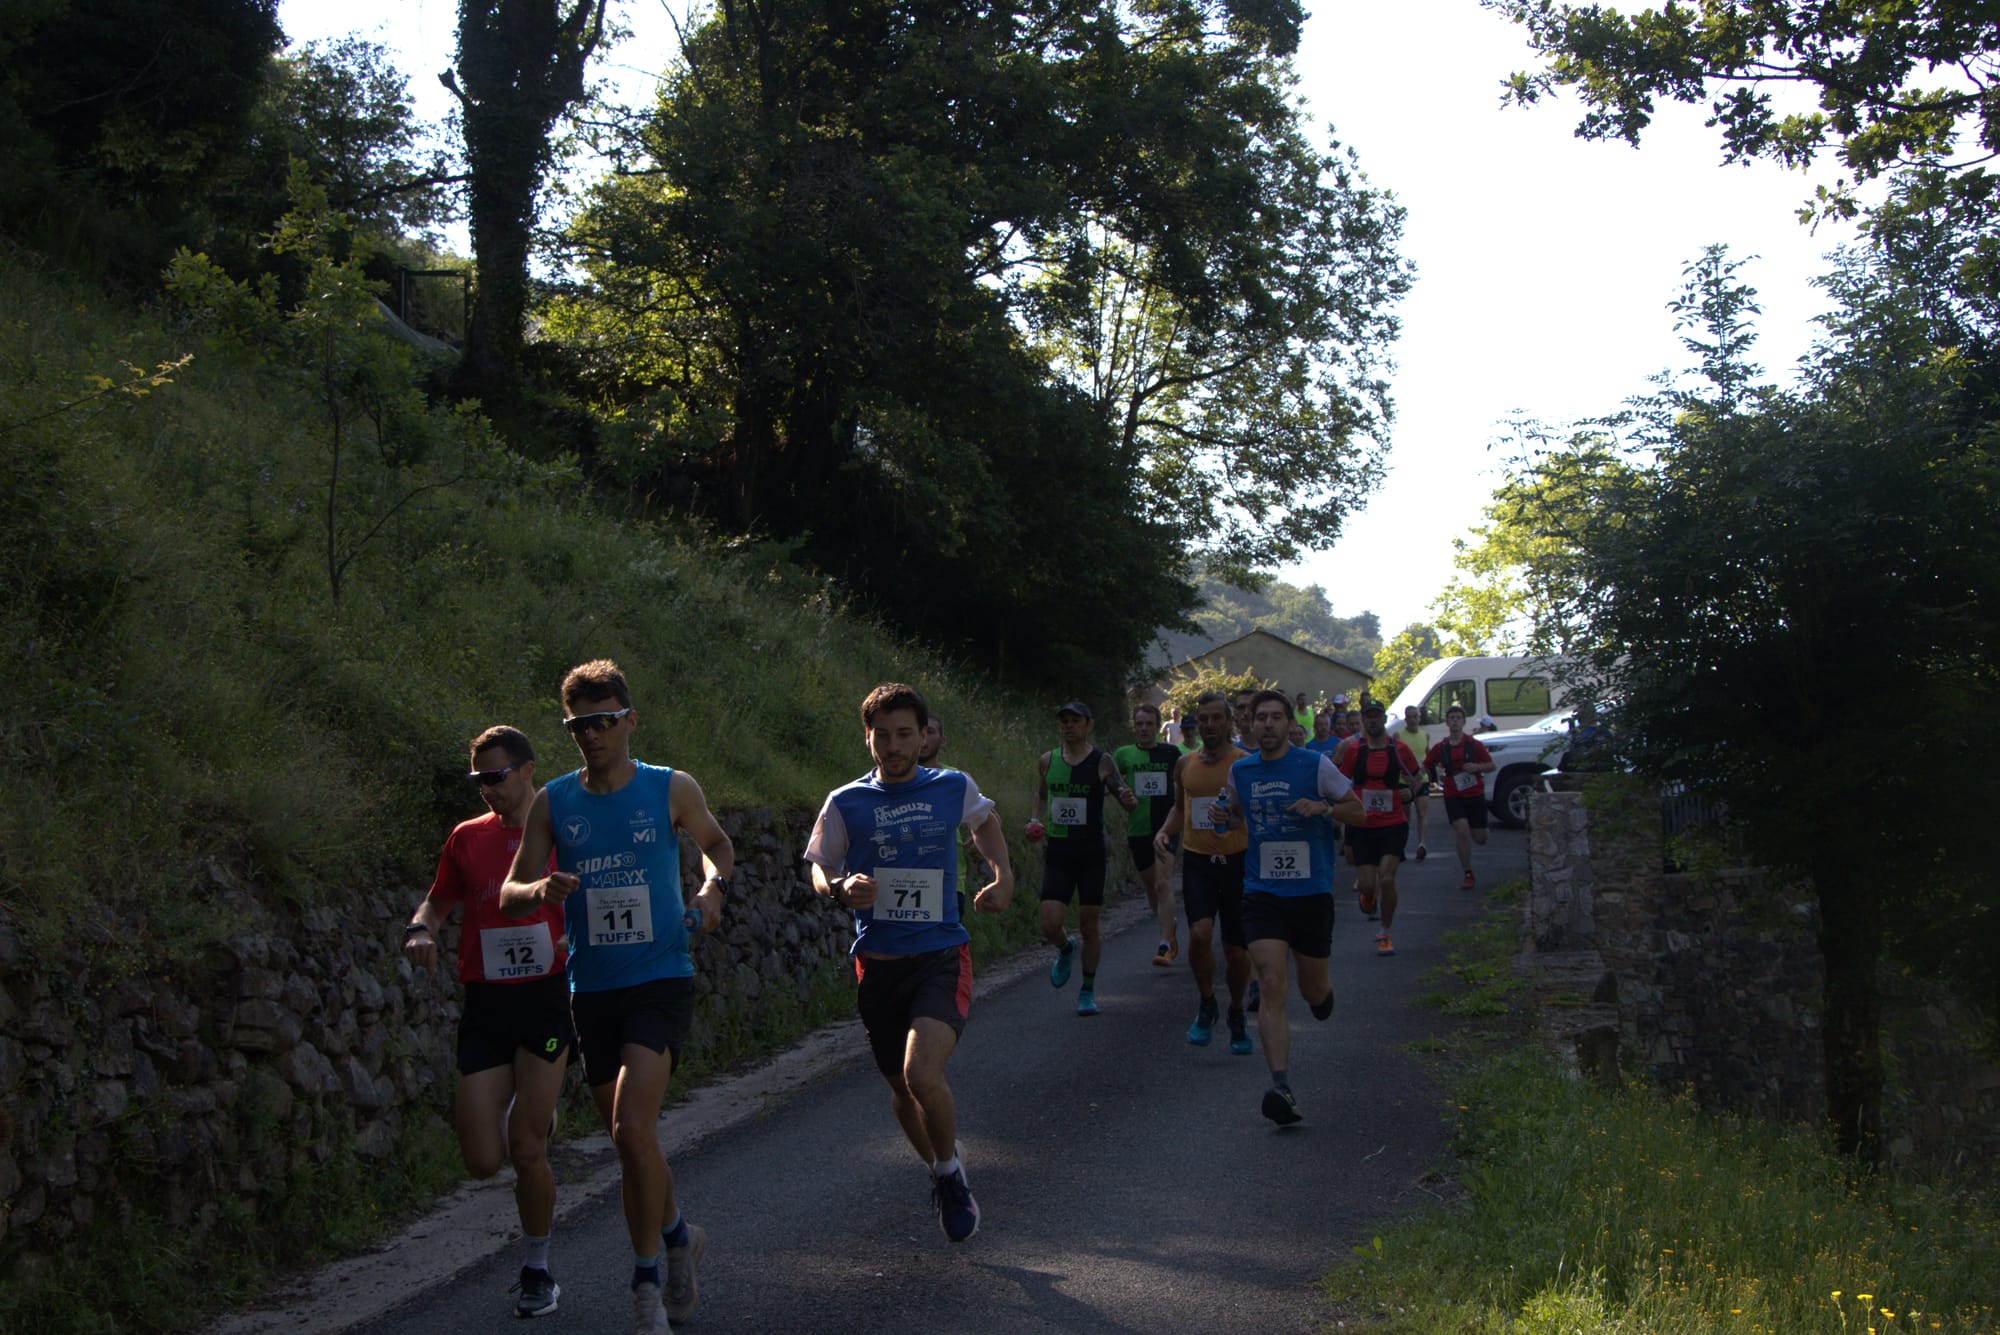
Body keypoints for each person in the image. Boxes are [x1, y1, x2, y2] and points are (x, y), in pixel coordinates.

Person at [502, 660, 734, 1335]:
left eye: (603, 721)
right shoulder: (553, 801)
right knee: (629, 1142)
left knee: (634, 1127)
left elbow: (717, 844)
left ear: (630, 720)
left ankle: (644, 1283)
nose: (592, 735)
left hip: (660, 979)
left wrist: (711, 888)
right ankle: (680, 1234)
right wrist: (537, 892)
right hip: (592, 989)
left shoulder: (670, 787)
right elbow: (510, 890)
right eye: (579, 725)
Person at [805, 683, 1014, 1243]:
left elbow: (985, 822)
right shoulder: (845, 801)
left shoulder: (952, 786)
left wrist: (1003, 874)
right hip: (877, 964)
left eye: (905, 734)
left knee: (923, 1074)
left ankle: (948, 1175)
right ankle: (944, 1165)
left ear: (924, 736)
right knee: (900, 1091)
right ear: (867, 738)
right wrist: (839, 887)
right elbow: (818, 864)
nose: (894, 746)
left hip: (941, 955)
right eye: (883, 736)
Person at [405, 726, 570, 1319]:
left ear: (528, 771)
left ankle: (537, 1269)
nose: (486, 791)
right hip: (486, 1003)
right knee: (480, 1158)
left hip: (548, 999)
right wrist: (421, 928)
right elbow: (438, 900)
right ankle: (537, 1108)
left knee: (526, 1148)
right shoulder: (466, 839)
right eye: (478, 780)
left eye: (496, 777)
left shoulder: (561, 831)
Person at [1212, 689, 1361, 1124]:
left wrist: (1324, 807)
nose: (1269, 725)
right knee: (1272, 981)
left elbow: (1359, 812)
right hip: (1263, 893)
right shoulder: (1241, 770)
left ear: (1288, 723)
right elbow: (1237, 813)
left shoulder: (1316, 765)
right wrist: (1226, 819)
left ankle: (1322, 995)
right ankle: (1282, 1086)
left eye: (1277, 717)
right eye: (1261, 718)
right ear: (1251, 724)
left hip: (1311, 893)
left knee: (1312, 990)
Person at [1153, 690, 1254, 1054]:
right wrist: (1165, 831)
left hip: (1237, 862)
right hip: (1198, 862)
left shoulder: (1244, 763)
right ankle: (1207, 1001)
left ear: (1229, 721)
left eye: (1216, 718)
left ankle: (1237, 1010)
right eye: (1203, 719)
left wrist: (1236, 817)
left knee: (1237, 952)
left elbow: (1257, 815)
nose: (1210, 725)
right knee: (1198, 935)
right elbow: (1181, 809)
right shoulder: (1184, 764)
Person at [1028, 702, 1136, 1016]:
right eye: (1063, 721)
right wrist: (1033, 819)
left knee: (1089, 924)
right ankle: (1065, 948)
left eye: (1074, 721)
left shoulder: (1103, 762)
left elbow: (1125, 798)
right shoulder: (1047, 760)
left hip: (1090, 852)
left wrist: (1129, 800)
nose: (1068, 726)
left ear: (1089, 724)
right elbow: (1041, 793)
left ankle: (1087, 991)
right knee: (1050, 924)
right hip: (1059, 851)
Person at [1338, 700, 1422, 957]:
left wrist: (1410, 791)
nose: (1373, 721)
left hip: (1393, 824)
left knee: (1386, 878)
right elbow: (1341, 782)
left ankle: (1384, 933)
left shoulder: (1399, 749)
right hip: (1363, 825)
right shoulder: (1354, 750)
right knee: (1366, 885)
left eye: (1377, 717)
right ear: (1364, 720)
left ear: (1384, 719)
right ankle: (1367, 896)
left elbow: (1418, 776)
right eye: (1368, 717)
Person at [1113, 703, 1183, 968]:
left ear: (1157, 726)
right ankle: (1169, 927)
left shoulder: (1170, 753)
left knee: (1163, 883)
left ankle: (1165, 943)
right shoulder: (1124, 755)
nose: (1144, 729)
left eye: (1149, 724)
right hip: (1138, 829)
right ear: (1134, 726)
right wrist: (1120, 793)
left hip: (1166, 828)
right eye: (1139, 724)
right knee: (1152, 887)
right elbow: (1109, 780)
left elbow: (1183, 784)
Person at [1426, 704, 1496, 889]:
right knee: (1462, 829)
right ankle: (1467, 872)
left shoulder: (1474, 745)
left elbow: (1491, 765)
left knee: (1480, 838)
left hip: (1474, 793)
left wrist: (1476, 767)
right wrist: (1420, 779)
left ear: (1464, 722)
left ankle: (1482, 828)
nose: (1455, 721)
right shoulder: (1440, 747)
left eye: (1458, 718)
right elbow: (1426, 764)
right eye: (1452, 718)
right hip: (1453, 794)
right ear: (1447, 722)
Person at [1400, 704, 1432, 861]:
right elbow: (1395, 758)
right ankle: (1402, 846)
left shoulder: (1425, 735)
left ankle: (1422, 844)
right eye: (1409, 717)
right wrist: (1403, 774)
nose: (1413, 720)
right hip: (1404, 780)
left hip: (1421, 779)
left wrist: (1425, 772)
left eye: (1415, 716)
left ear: (1419, 718)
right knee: (1405, 816)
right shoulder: (1398, 736)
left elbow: (1428, 757)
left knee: (1422, 812)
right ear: (1405, 719)